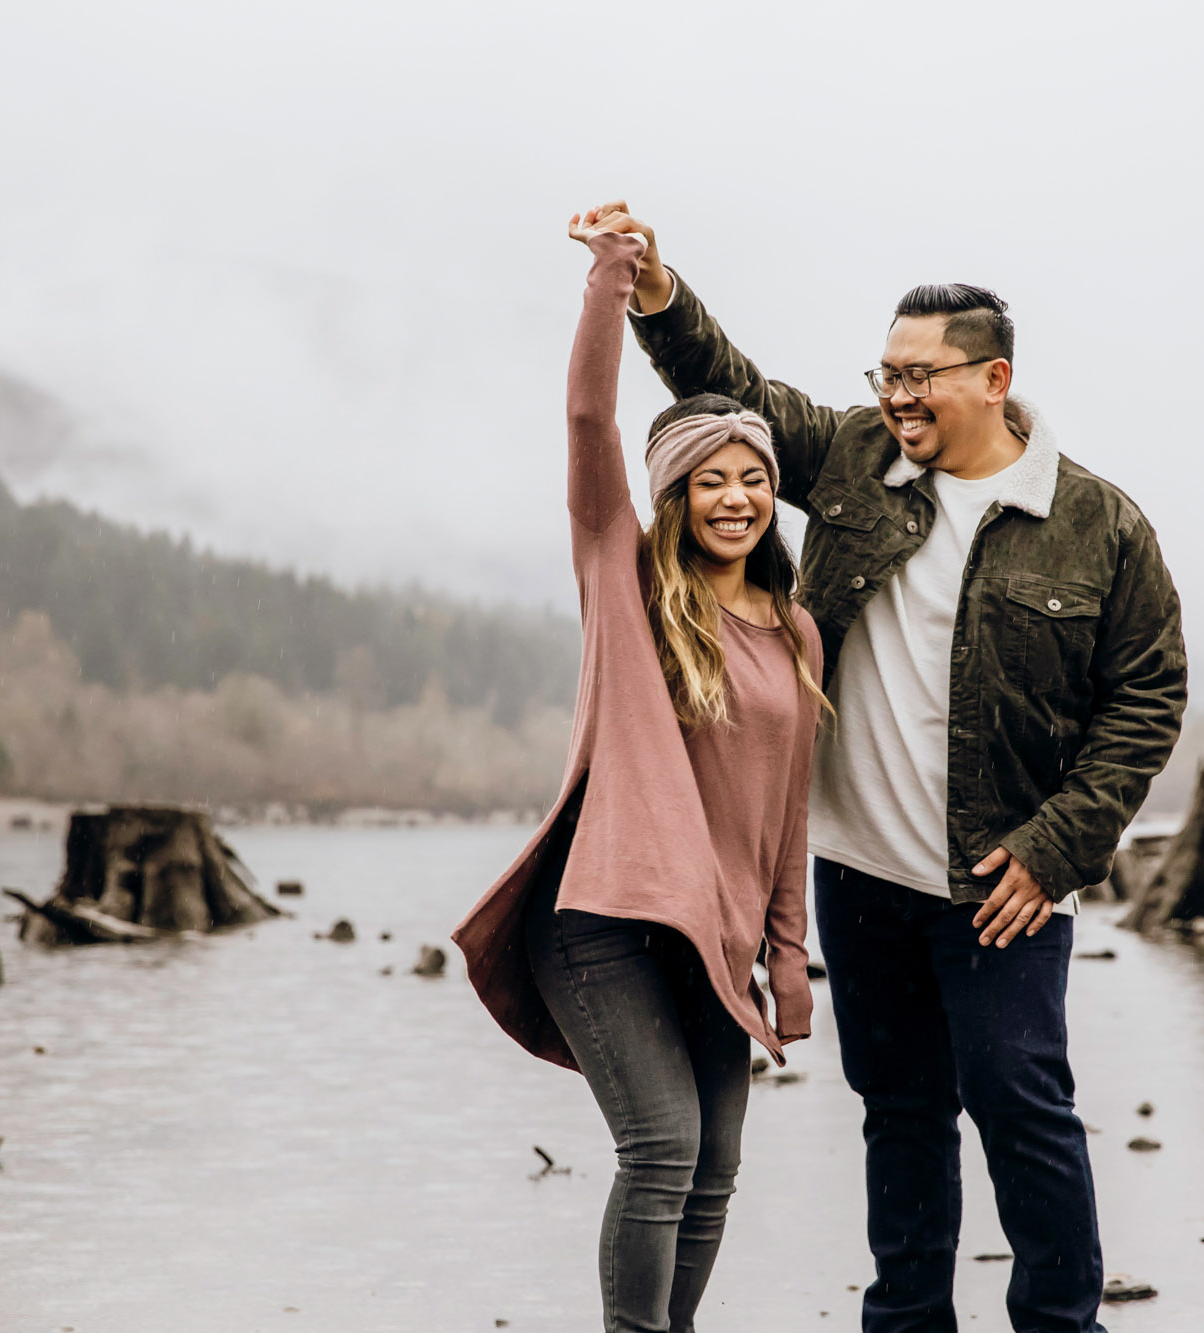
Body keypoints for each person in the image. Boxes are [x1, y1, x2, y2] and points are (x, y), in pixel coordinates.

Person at [589, 200, 1188, 1333]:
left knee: (1022, 1105)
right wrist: (659, 298)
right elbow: (738, 393)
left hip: (1002, 882)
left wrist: (1059, 845)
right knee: (898, 1110)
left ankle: (1061, 1323)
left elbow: (1145, 699)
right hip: (860, 873)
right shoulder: (856, 463)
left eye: (921, 375)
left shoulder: (1096, 524)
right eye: (885, 371)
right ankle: (906, 1322)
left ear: (993, 378)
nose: (896, 395)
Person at [449, 212, 827, 1333]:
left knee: (714, 1165)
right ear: (671, 494)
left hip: (712, 934)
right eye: (708, 479)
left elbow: (786, 811)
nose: (733, 497)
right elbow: (585, 416)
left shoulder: (794, 629)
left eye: (752, 477)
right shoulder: (622, 577)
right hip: (605, 916)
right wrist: (613, 282)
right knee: (660, 1146)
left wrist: (789, 958)